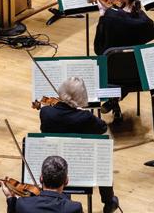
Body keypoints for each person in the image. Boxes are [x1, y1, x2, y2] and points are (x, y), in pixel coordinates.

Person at [39, 78, 119, 213]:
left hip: (54, 164)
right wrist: (81, 111)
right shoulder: (85, 117)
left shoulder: (46, 112)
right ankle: (108, 201)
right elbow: (104, 130)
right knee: (102, 158)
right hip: (82, 165)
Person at [3, 155, 83, 213]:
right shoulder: (74, 208)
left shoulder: (22, 204)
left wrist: (10, 198)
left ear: (41, 178)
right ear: (66, 181)